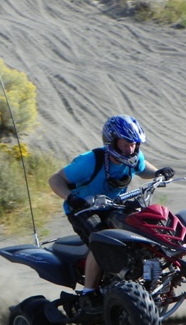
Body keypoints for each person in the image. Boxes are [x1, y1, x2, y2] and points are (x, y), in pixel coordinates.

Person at [48, 115, 175, 313]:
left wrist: (159, 172)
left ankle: (150, 277)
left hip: (113, 206)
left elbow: (143, 168)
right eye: (125, 144)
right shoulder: (90, 161)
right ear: (112, 142)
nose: (130, 149)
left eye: (133, 144)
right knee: (102, 240)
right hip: (83, 209)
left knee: (145, 229)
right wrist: (71, 198)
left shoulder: (133, 158)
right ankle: (88, 294)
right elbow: (55, 179)